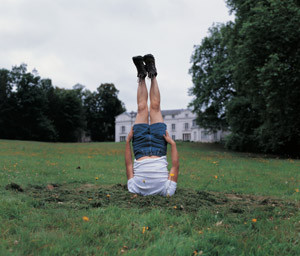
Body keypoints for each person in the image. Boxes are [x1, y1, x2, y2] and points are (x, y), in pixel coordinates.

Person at [125, 54, 179, 196]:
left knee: (142, 108)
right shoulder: (167, 192)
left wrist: (127, 141)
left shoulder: (133, 189)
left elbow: (129, 166)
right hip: (159, 146)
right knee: (155, 107)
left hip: (140, 147)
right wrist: (172, 144)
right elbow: (174, 167)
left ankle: (141, 76)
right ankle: (153, 74)